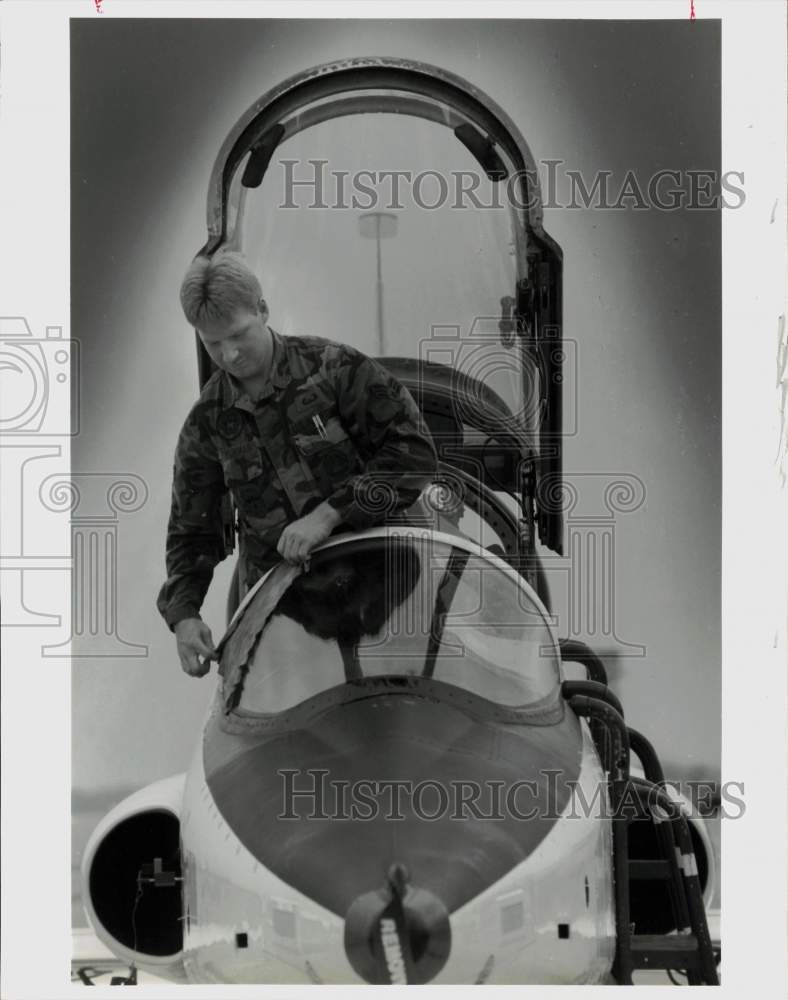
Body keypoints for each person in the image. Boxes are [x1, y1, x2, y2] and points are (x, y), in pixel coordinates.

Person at [156, 252, 438, 677]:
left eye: (238, 335)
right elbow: (190, 532)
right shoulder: (206, 423)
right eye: (212, 343)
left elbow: (414, 453)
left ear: (263, 310)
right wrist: (184, 616)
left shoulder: (335, 369)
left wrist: (330, 514)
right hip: (288, 615)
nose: (229, 355)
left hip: (391, 589)